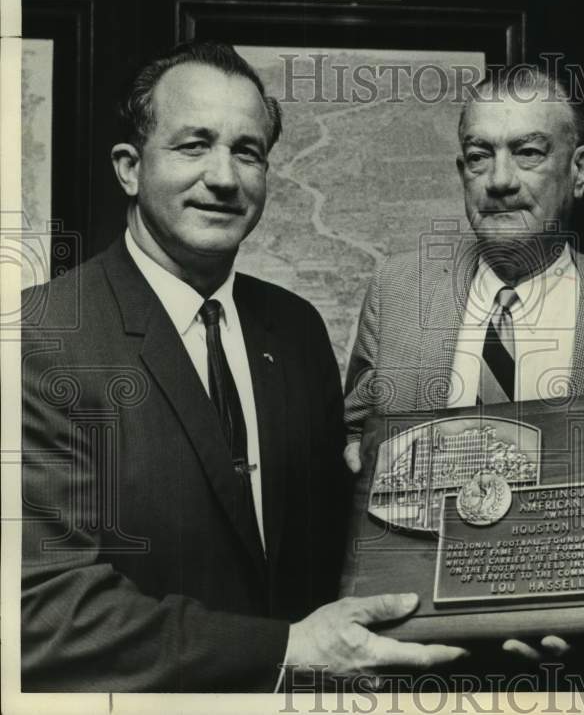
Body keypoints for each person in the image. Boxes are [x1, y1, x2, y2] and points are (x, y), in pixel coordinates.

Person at [20, 41, 465, 692]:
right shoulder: (40, 337)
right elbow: (46, 613)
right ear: (128, 167)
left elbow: (334, 555)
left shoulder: (296, 329)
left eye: (247, 151)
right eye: (193, 145)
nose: (224, 177)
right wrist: (286, 647)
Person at [342, 66, 584, 677]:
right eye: (479, 156)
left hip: (580, 679)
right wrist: (358, 457)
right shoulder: (395, 294)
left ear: (579, 170)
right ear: (462, 172)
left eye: (528, 153)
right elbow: (355, 436)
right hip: (413, 671)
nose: (501, 180)